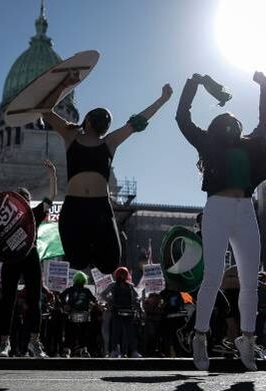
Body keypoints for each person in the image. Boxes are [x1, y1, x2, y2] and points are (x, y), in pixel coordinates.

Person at [177, 71, 266, 371]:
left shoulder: (250, 144)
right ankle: (200, 336)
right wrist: (192, 85)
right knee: (213, 275)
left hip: (245, 209)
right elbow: (183, 118)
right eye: (227, 121)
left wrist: (265, 87)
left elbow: (265, 122)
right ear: (218, 129)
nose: (233, 123)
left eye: (236, 121)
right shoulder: (208, 144)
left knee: (250, 280)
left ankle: (247, 338)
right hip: (217, 208)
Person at [42, 74, 172, 274]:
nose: (104, 121)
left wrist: (162, 100)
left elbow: (138, 121)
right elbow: (46, 111)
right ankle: (87, 250)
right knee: (77, 261)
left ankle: (95, 248)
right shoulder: (71, 136)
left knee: (110, 264)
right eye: (100, 117)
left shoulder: (109, 142)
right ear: (88, 121)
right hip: (74, 208)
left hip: (100, 208)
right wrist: (64, 85)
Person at [0, 160, 57, 358]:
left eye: (25, 199)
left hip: (30, 255)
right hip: (11, 258)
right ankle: (4, 343)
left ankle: (34, 342)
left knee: (35, 300)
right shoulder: (4, 219)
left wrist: (52, 176)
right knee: (7, 300)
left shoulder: (34, 214)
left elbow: (51, 197)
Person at [100, 266, 141, 358]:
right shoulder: (113, 285)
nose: (122, 276)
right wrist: (109, 301)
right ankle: (114, 351)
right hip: (116, 311)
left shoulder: (130, 286)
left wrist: (136, 303)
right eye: (121, 273)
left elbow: (136, 297)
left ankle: (133, 351)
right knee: (116, 332)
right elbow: (103, 294)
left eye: (124, 274)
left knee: (130, 333)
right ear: (118, 274)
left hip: (129, 311)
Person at [60, 271, 97, 357]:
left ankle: (67, 350)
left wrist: (64, 305)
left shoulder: (70, 289)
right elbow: (94, 300)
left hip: (72, 313)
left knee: (70, 332)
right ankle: (82, 350)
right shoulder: (86, 290)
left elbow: (61, 296)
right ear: (84, 280)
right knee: (82, 333)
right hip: (82, 315)